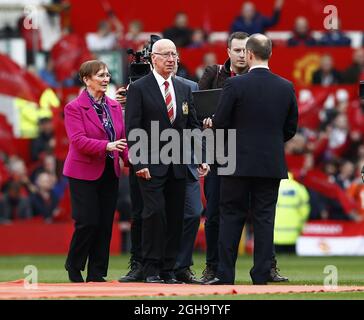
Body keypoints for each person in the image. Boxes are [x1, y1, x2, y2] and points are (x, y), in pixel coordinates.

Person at [206, 34, 298, 285]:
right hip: (270, 163)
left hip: (236, 162)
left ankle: (225, 275)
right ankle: (261, 275)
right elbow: (290, 129)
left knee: (231, 217)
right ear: (270, 54)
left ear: (248, 54)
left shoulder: (235, 86)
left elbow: (221, 123)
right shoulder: (286, 86)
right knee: (265, 219)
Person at [125, 39, 209, 283]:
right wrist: (139, 163)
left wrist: (201, 157)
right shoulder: (140, 88)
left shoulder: (184, 87)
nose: (172, 59)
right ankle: (151, 268)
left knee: (175, 216)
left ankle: (168, 269)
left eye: (174, 54)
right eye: (166, 55)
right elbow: (133, 128)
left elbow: (192, 125)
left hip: (179, 162)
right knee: (154, 214)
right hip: (150, 164)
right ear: (153, 58)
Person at [63, 60, 128, 283]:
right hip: (82, 173)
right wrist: (106, 146)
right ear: (86, 79)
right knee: (87, 221)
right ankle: (74, 265)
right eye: (100, 75)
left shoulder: (115, 107)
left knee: (104, 224)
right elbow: (78, 141)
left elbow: (123, 139)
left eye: (108, 75)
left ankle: (97, 272)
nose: (106, 79)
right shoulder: (73, 108)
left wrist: (134, 163)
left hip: (110, 172)